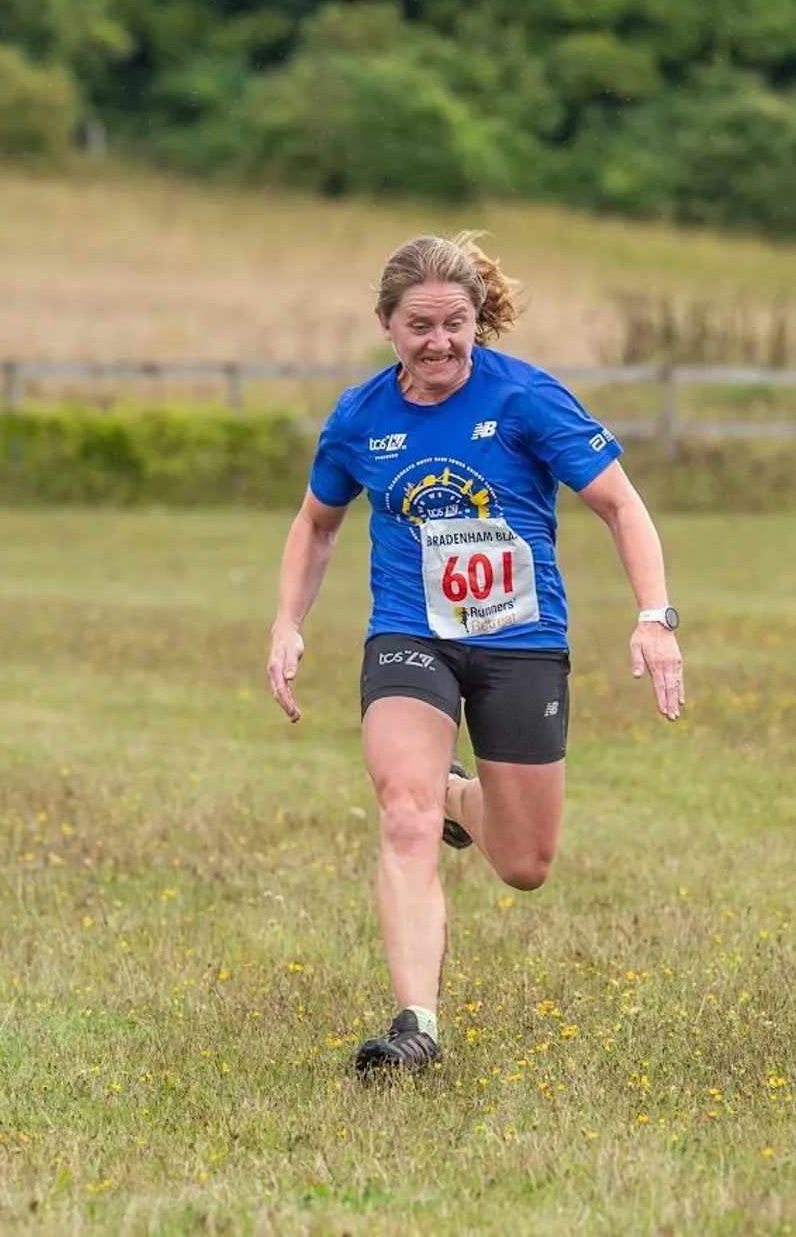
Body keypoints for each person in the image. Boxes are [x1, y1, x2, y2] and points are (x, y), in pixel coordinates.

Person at [264, 232, 685, 1075]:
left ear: (478, 320)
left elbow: (621, 505)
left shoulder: (528, 399)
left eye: (456, 323)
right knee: (402, 814)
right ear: (387, 325)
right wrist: (287, 621)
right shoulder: (360, 416)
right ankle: (416, 1025)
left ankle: (463, 797)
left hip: (520, 643)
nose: (440, 343)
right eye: (420, 325)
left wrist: (655, 615)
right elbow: (318, 522)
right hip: (410, 637)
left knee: (525, 864)